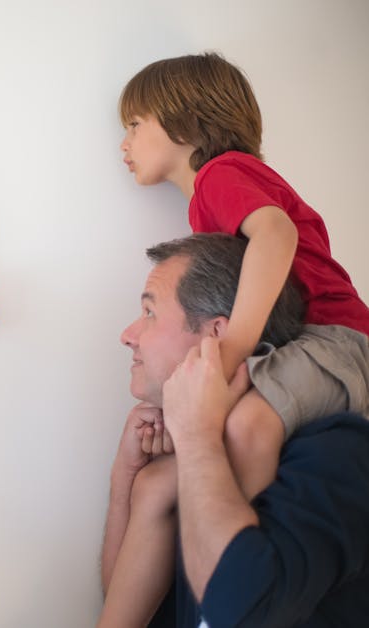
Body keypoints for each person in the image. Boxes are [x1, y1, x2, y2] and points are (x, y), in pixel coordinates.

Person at [103, 52, 369, 626]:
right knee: (178, 470)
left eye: (133, 125)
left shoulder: (222, 176)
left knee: (246, 424)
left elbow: (276, 234)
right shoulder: (208, 204)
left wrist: (235, 348)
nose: (122, 144)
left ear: (183, 120)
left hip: (336, 335)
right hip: (310, 343)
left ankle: (235, 560)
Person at [103, 233, 369, 627]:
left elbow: (237, 613)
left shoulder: (337, 456)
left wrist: (196, 436)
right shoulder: (192, 467)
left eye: (150, 312)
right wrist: (128, 473)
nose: (127, 334)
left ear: (216, 335)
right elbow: (123, 605)